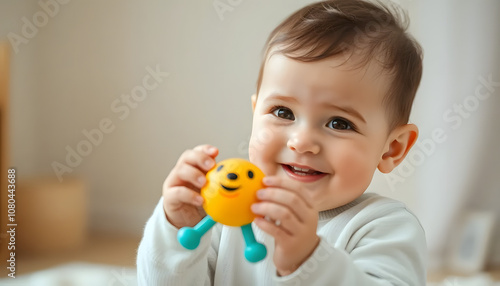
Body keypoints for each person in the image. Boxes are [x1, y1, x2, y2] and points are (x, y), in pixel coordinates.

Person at [137, 0, 427, 285]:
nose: (301, 142)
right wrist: (179, 229)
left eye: (339, 123)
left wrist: (309, 260)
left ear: (392, 148)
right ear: (255, 115)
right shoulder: (228, 211)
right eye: (283, 112)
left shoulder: (385, 228)